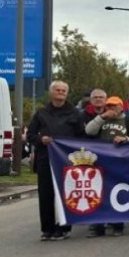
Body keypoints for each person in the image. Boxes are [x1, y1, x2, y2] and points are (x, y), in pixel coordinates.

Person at [26, 81, 85, 241]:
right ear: (51, 93)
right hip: (46, 158)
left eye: (63, 90)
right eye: (57, 90)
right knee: (46, 194)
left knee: (67, 193)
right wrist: (40, 140)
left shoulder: (75, 113)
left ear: (67, 93)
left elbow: (82, 136)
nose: (60, 93)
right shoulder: (41, 113)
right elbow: (30, 134)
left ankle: (64, 227)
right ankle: (47, 229)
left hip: (68, 160)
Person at [84, 96, 129, 237]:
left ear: (121, 107)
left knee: (117, 192)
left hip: (120, 162)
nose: (111, 109)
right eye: (108, 106)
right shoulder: (101, 119)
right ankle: (98, 226)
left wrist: (125, 139)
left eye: (114, 106)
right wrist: (102, 117)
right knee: (99, 193)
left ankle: (117, 225)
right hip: (101, 161)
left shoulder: (128, 121)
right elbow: (89, 131)